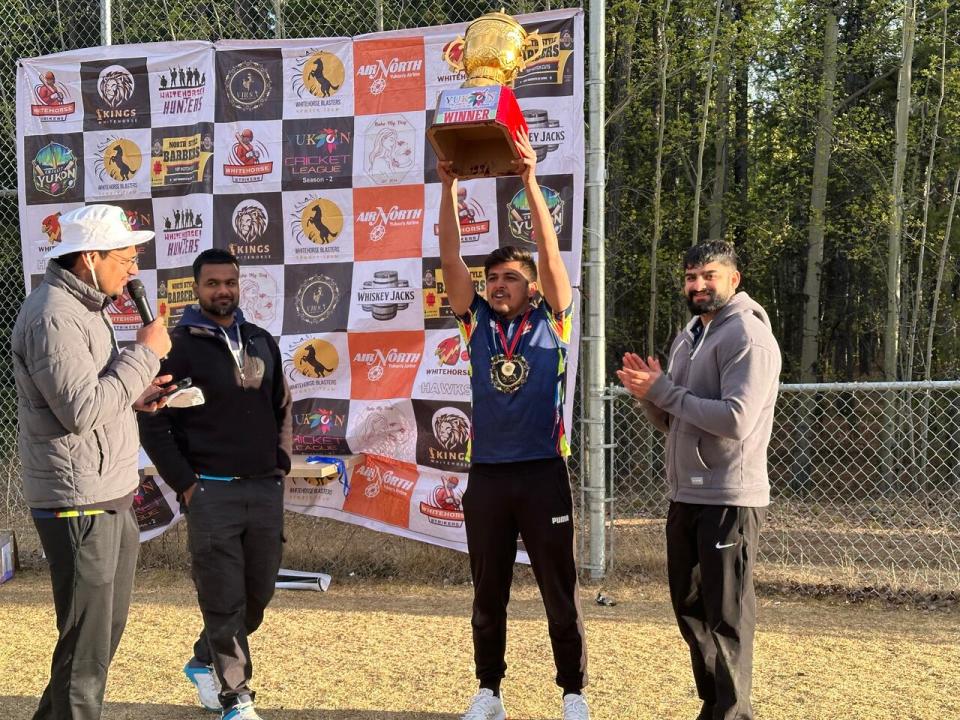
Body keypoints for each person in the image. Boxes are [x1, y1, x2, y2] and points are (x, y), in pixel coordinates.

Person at [437, 129, 590, 720]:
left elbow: (553, 260)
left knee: (559, 588)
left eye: (509, 278)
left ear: (531, 289)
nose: (497, 285)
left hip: (544, 471)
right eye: (492, 277)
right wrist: (448, 188)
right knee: (488, 591)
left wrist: (528, 179)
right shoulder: (474, 324)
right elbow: (450, 257)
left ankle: (572, 693)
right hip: (489, 476)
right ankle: (489, 691)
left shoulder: (555, 319)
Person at [12, 203, 173, 720]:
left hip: (106, 493)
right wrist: (144, 354)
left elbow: (93, 397)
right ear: (89, 257)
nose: (133, 270)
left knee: (94, 645)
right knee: (85, 658)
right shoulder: (54, 314)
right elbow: (81, 411)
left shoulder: (82, 308)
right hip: (78, 501)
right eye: (124, 258)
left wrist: (136, 394)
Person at [617, 241, 781, 720]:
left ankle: (734, 714)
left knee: (727, 616)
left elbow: (736, 420)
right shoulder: (690, 335)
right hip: (685, 494)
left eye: (709, 275)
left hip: (729, 496)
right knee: (689, 608)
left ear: (734, 279)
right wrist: (649, 395)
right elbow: (676, 420)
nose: (698, 285)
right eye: (691, 277)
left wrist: (665, 390)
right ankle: (713, 708)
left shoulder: (747, 336)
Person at [138, 248, 292, 720]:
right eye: (212, 283)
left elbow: (280, 407)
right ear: (196, 288)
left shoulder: (262, 339)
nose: (223, 290)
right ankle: (236, 698)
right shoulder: (176, 347)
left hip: (264, 489)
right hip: (210, 492)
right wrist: (187, 485)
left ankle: (204, 657)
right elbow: (152, 423)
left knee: (257, 595)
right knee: (222, 596)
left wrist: (281, 463)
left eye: (230, 282)